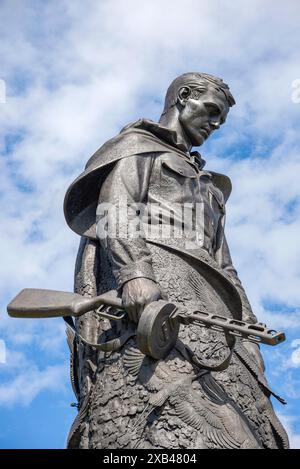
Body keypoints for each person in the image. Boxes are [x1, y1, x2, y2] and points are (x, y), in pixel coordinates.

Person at [64, 73, 289, 449]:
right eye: (212, 111)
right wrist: (135, 274)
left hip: (214, 306)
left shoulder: (212, 188)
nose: (215, 125)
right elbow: (116, 209)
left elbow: (226, 266)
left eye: (221, 120)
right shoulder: (138, 149)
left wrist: (247, 329)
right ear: (184, 97)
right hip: (157, 281)